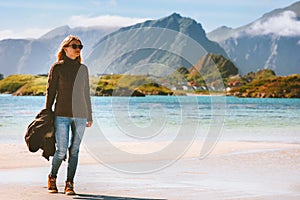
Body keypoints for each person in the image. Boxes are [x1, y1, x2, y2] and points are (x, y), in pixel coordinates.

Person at [45, 35, 93, 195]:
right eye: (74, 46)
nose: (78, 49)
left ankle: (69, 183)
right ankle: (52, 177)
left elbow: (86, 93)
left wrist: (90, 115)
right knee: (61, 150)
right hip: (61, 114)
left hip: (80, 115)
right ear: (65, 48)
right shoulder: (57, 67)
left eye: (80, 46)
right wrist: (47, 112)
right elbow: (51, 91)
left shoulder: (83, 69)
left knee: (75, 150)